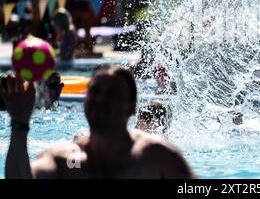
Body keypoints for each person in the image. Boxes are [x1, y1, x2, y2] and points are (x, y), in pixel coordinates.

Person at [0, 64, 195, 178]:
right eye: (95, 91)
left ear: (130, 107)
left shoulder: (156, 157)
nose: (101, 99)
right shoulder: (67, 160)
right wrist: (19, 121)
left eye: (112, 93)